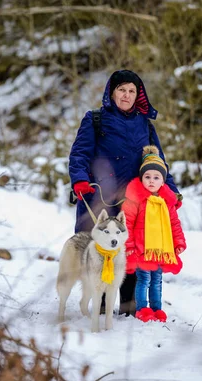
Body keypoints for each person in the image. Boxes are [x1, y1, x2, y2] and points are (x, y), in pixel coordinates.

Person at [68, 69, 182, 316]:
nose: (126, 95)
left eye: (132, 91)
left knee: (131, 249)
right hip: (98, 197)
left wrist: (171, 191)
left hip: (135, 200)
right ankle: (97, 304)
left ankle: (129, 307)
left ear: (138, 95)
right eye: (122, 90)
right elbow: (79, 154)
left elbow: (158, 161)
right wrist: (79, 180)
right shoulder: (95, 119)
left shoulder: (145, 125)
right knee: (97, 249)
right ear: (112, 92)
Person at [121, 145, 186, 322]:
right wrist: (129, 245)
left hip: (161, 249)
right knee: (143, 280)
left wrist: (178, 243)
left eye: (156, 177)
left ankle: (157, 310)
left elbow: (174, 223)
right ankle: (143, 309)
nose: (151, 181)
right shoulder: (135, 199)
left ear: (163, 181)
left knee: (157, 281)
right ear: (141, 178)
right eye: (147, 177)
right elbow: (126, 223)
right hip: (143, 248)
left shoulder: (167, 202)